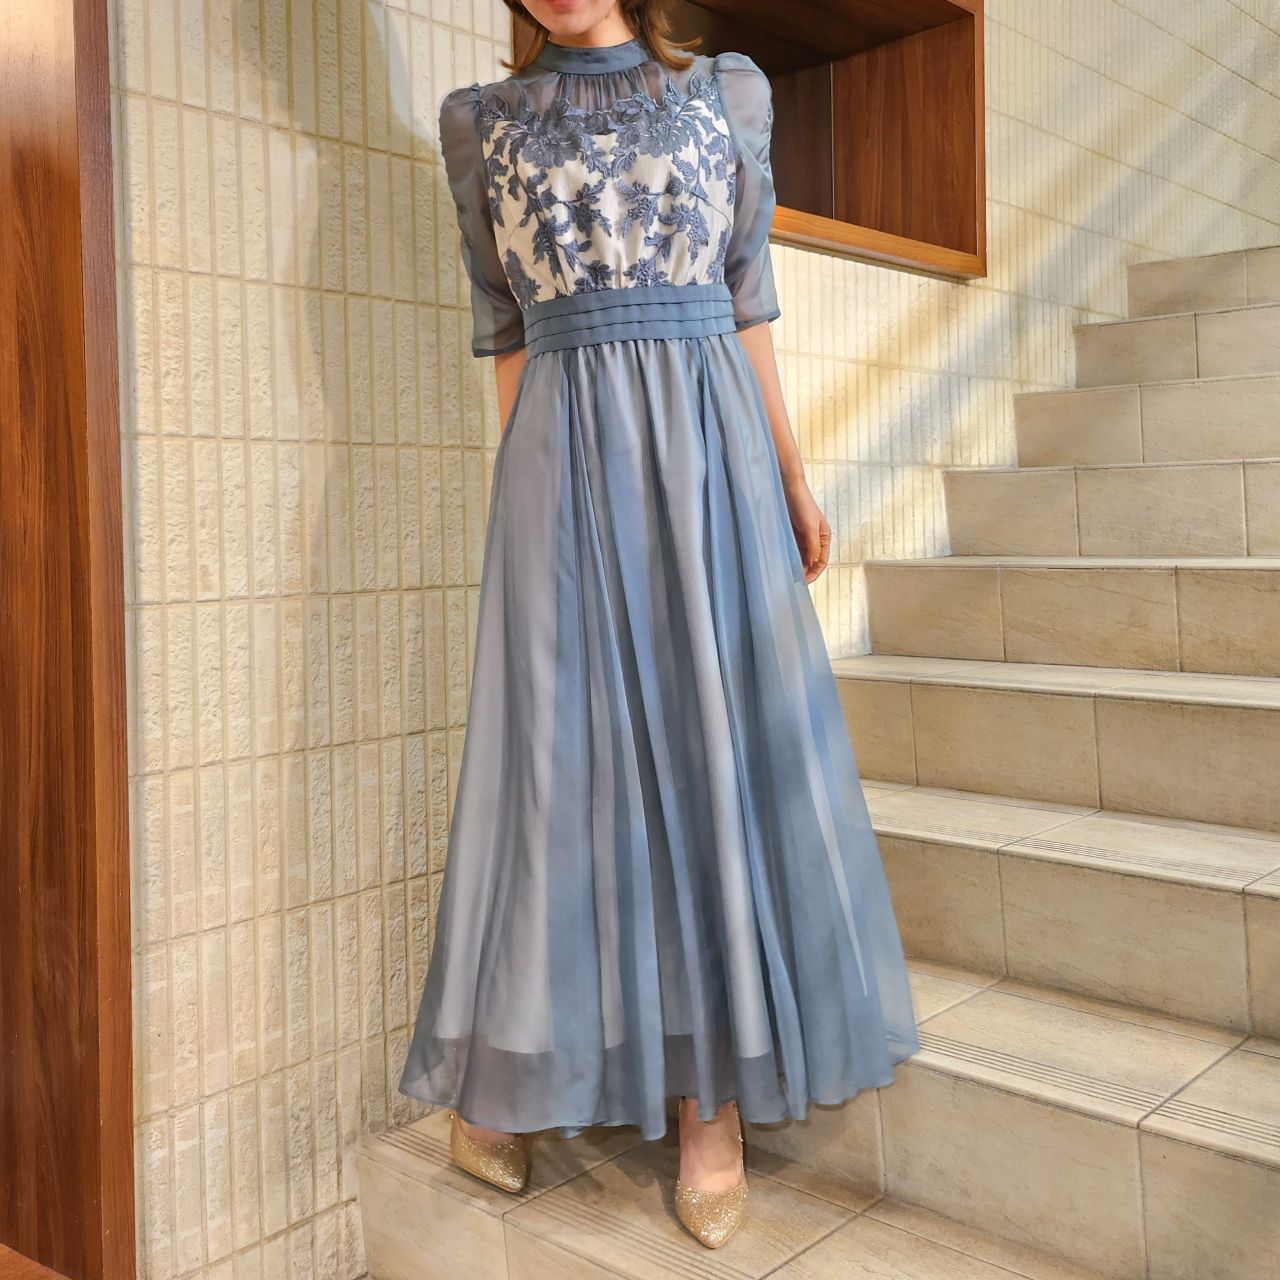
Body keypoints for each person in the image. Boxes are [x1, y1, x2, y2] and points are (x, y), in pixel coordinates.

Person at [399, 0, 919, 1249]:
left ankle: (707, 1100)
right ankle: (517, 1070)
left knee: (705, 756)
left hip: (707, 461)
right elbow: (506, 331)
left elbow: (746, 303)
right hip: (558, 467)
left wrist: (789, 474)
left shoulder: (722, 94)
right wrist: (522, 502)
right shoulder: (481, 123)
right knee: (556, 769)